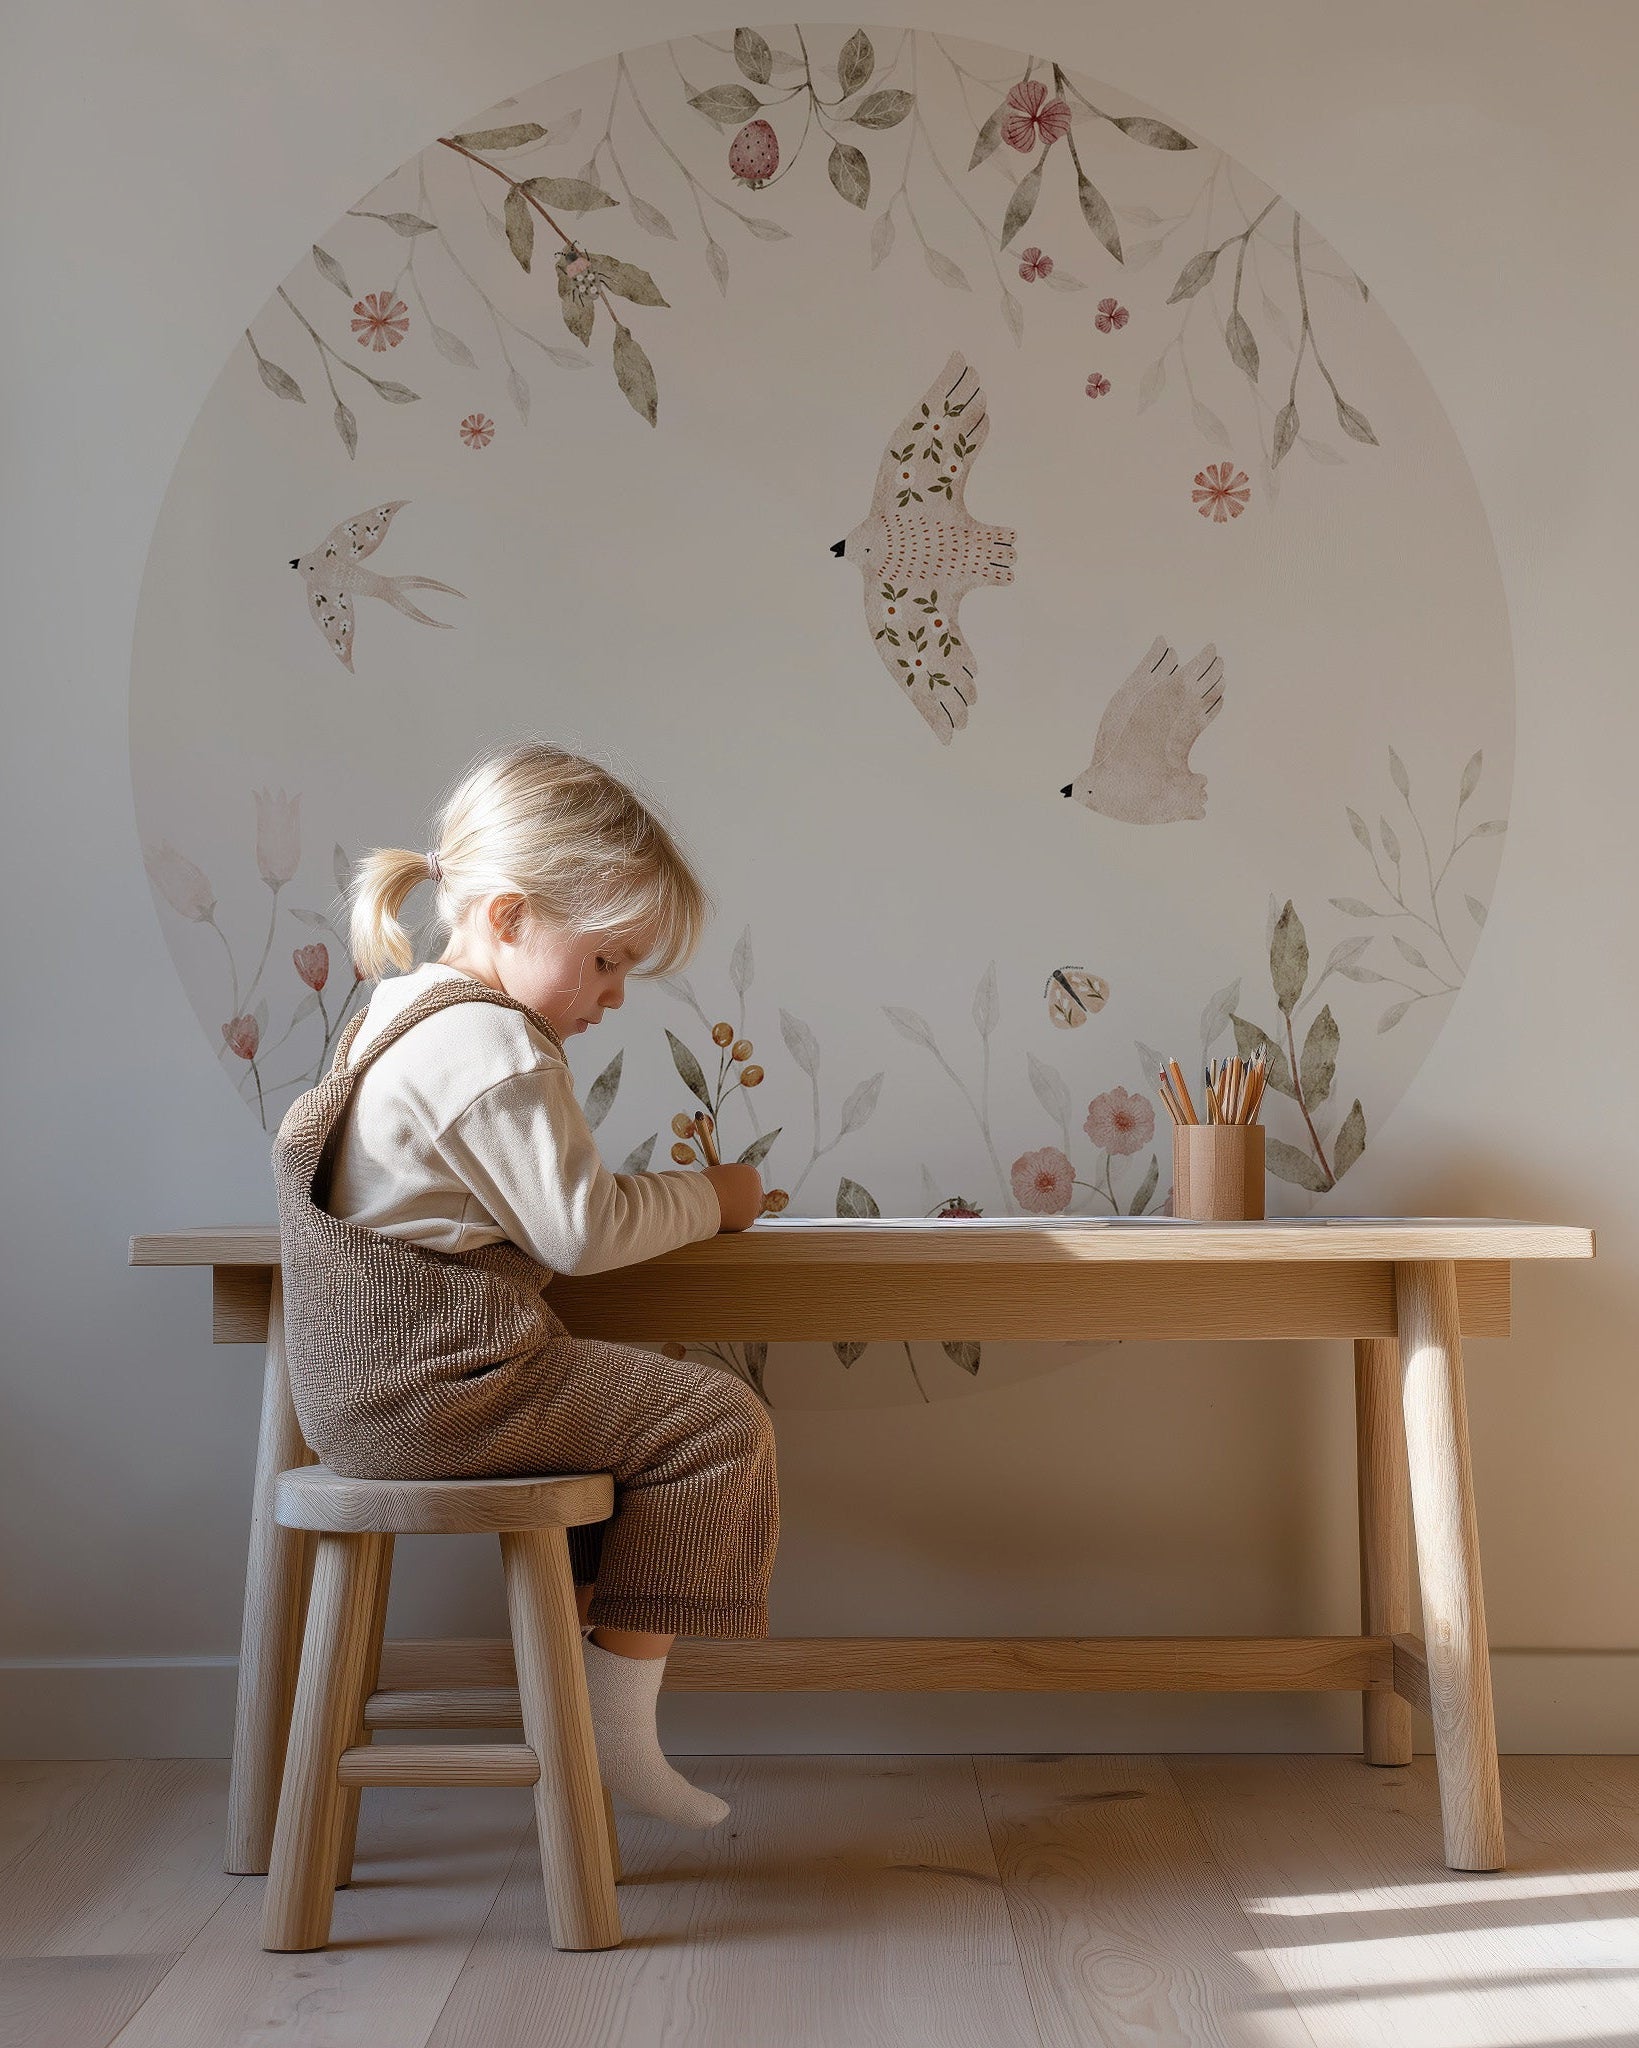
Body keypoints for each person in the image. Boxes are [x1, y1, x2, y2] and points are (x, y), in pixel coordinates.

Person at [271, 740, 776, 1829]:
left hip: (365, 1401)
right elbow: (581, 1227)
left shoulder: (393, 1014)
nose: (616, 994)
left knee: (641, 1413)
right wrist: (714, 1197)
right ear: (507, 917)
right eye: (605, 960)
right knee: (713, 1422)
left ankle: (594, 1683)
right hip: (445, 1392)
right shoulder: (493, 1047)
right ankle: (611, 1721)